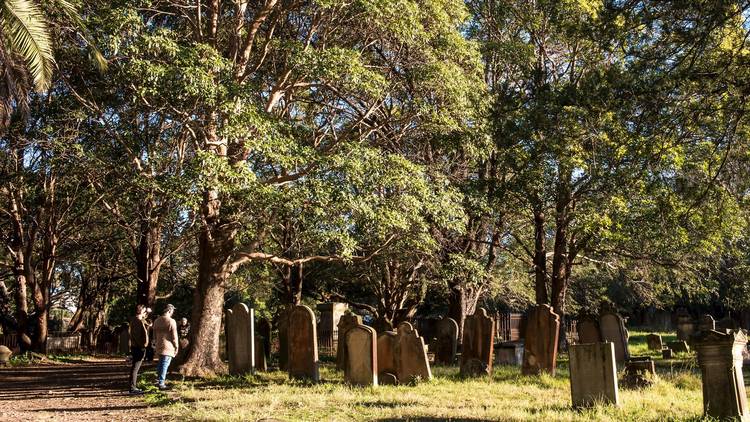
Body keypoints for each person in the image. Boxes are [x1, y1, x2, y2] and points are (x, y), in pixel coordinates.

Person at [153, 304, 179, 390]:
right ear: (169, 311)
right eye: (172, 311)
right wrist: (176, 346)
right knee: (165, 364)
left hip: (159, 345)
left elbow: (154, 335)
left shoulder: (156, 321)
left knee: (160, 363)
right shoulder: (171, 321)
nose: (173, 312)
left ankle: (157, 380)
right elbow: (174, 336)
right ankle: (161, 382)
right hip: (168, 346)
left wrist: (155, 343)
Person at [128, 304, 149, 395]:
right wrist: (142, 346)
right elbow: (136, 336)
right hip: (138, 347)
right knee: (135, 367)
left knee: (135, 367)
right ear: (141, 311)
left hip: (137, 346)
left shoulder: (138, 320)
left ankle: (133, 386)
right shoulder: (137, 321)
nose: (146, 313)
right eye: (145, 311)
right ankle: (132, 388)